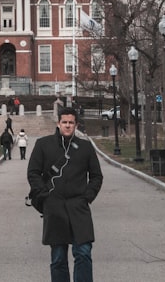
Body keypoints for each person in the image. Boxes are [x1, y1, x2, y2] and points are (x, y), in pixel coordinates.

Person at [27, 108, 103, 282]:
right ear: (58, 123)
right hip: (54, 207)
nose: (68, 126)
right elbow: (33, 173)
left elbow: (96, 176)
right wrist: (44, 195)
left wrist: (88, 196)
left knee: (83, 253)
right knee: (58, 258)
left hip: (79, 206)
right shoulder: (43, 145)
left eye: (71, 123)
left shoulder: (85, 147)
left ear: (76, 125)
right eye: (64, 122)